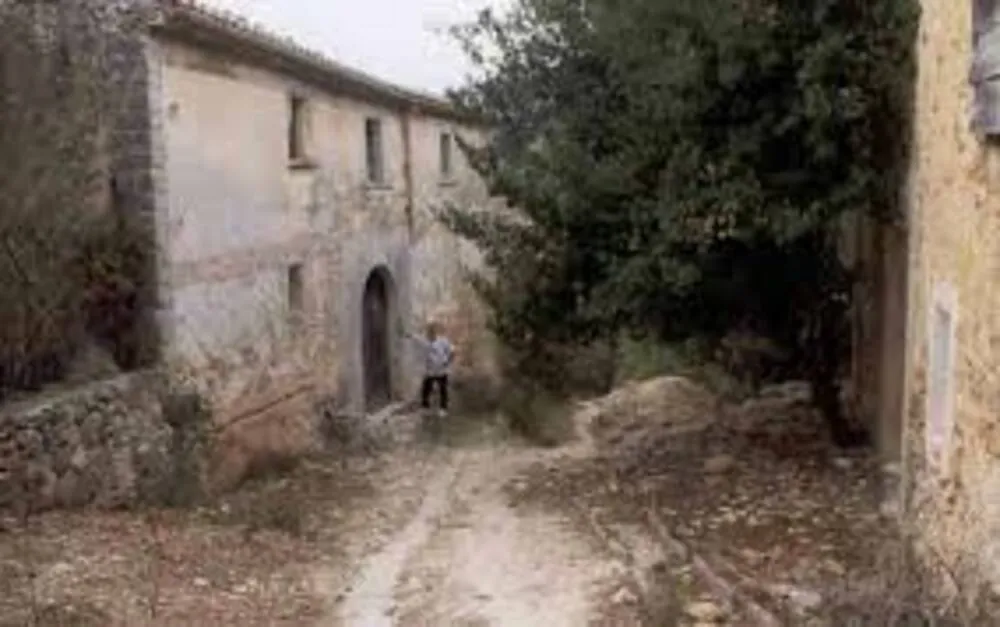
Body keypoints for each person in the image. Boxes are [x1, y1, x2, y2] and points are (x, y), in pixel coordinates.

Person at [406, 320, 455, 416]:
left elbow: (452, 351)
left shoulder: (443, 341)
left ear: (435, 332)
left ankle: (443, 408)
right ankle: (425, 407)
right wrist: (408, 335)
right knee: (426, 388)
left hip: (441, 370)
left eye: (432, 331)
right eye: (429, 331)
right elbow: (415, 338)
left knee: (443, 389)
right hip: (430, 370)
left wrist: (447, 361)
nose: (430, 333)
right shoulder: (424, 341)